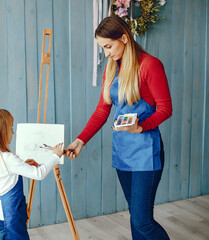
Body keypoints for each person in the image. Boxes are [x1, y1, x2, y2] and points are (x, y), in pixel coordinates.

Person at [66, 15, 172, 240]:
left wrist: (141, 127)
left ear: (124, 37)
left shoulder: (150, 65)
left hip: (146, 152)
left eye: (108, 46)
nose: (106, 53)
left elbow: (165, 109)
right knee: (136, 216)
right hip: (123, 151)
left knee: (142, 220)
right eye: (102, 48)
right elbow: (102, 110)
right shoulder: (112, 68)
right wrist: (80, 140)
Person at [0, 108, 64, 240]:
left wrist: (24, 164)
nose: (13, 132)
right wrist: (55, 156)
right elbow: (39, 174)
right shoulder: (9, 159)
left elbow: (7, 174)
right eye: (11, 129)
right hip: (10, 216)